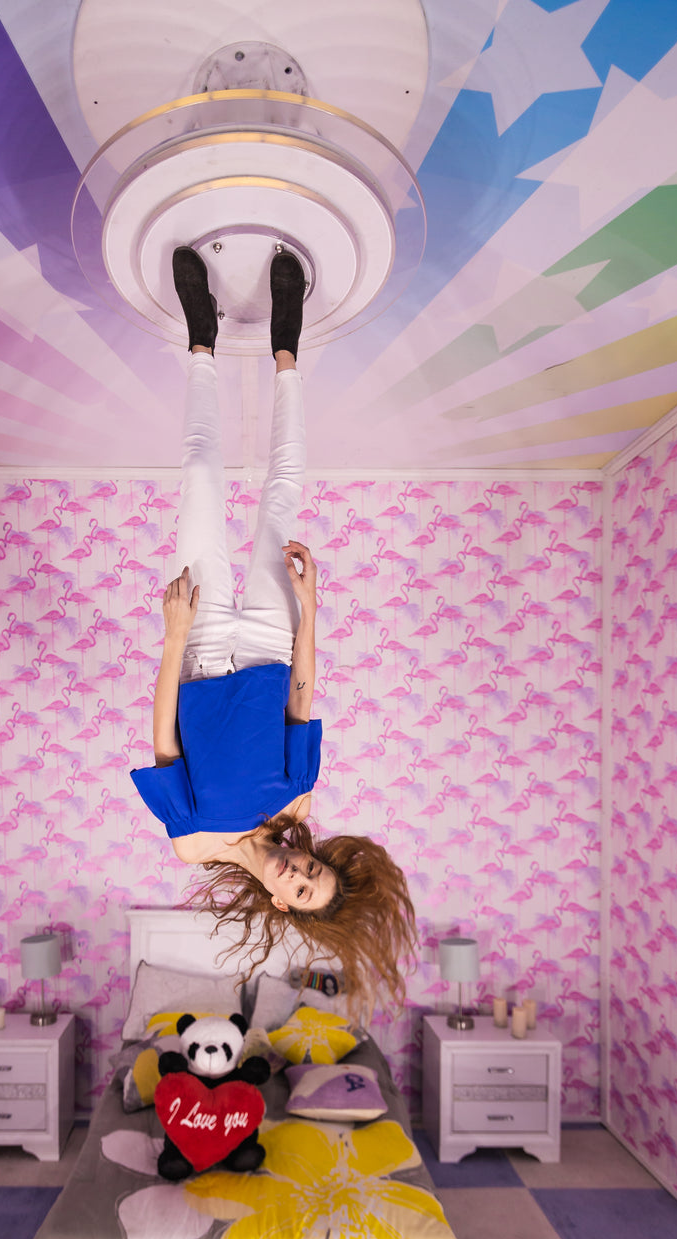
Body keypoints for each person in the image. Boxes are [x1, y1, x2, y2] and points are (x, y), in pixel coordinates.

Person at [130, 246, 416, 1019]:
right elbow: (301, 692)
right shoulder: (296, 798)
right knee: (280, 492)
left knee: (199, 474)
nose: (300, 872)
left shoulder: (196, 845)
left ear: (284, 908)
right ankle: (287, 348)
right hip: (265, 639)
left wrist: (173, 635)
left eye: (300, 887)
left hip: (196, 648)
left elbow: (163, 741)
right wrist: (311, 605)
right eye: (314, 870)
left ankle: (201, 339)